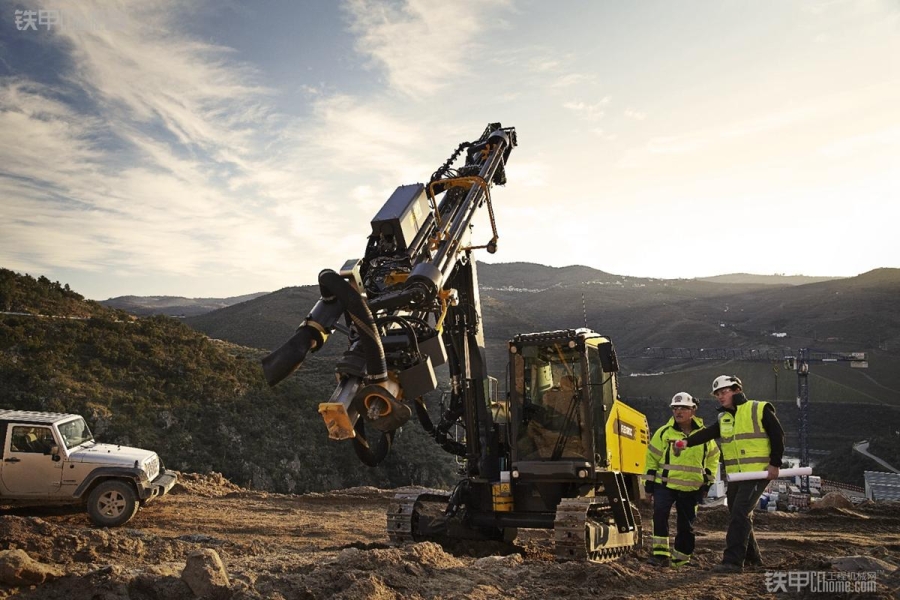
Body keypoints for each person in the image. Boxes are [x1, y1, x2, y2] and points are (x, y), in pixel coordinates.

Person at [675, 375, 785, 573]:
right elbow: (708, 433)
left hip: (757, 473)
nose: (720, 396)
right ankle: (753, 559)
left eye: (724, 392)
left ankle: (733, 561)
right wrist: (686, 442)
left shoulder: (758, 408)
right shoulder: (724, 417)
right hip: (736, 475)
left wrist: (774, 464)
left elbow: (777, 434)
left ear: (736, 390)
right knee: (739, 513)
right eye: (717, 394)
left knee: (740, 512)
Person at [643, 392, 720, 568]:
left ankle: (681, 559)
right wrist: (648, 487)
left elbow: (713, 459)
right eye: (675, 408)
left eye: (683, 408)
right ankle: (660, 555)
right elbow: (651, 459)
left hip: (692, 488)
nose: (678, 411)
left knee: (686, 525)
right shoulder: (663, 433)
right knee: (660, 516)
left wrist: (707, 482)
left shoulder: (704, 435)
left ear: (693, 410)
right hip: (665, 485)